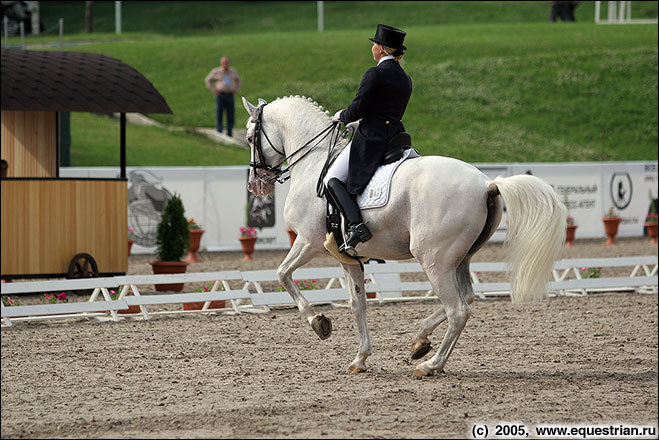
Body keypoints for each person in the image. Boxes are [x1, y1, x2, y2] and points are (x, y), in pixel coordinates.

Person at [323, 24, 413, 254]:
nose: (372, 48)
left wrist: (341, 117)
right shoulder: (405, 78)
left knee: (332, 179)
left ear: (382, 49)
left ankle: (356, 225)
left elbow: (358, 107)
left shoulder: (375, 73)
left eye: (374, 44)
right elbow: (383, 110)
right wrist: (361, 120)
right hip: (394, 134)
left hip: (372, 138)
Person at [204, 56, 241, 137]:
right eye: (224, 63)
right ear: (221, 63)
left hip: (230, 95)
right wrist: (213, 89)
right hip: (220, 95)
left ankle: (229, 132)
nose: (226, 64)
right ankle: (219, 130)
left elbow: (238, 81)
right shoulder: (216, 72)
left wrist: (236, 89)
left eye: (227, 63)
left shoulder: (233, 72)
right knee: (219, 113)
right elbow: (208, 80)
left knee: (230, 114)